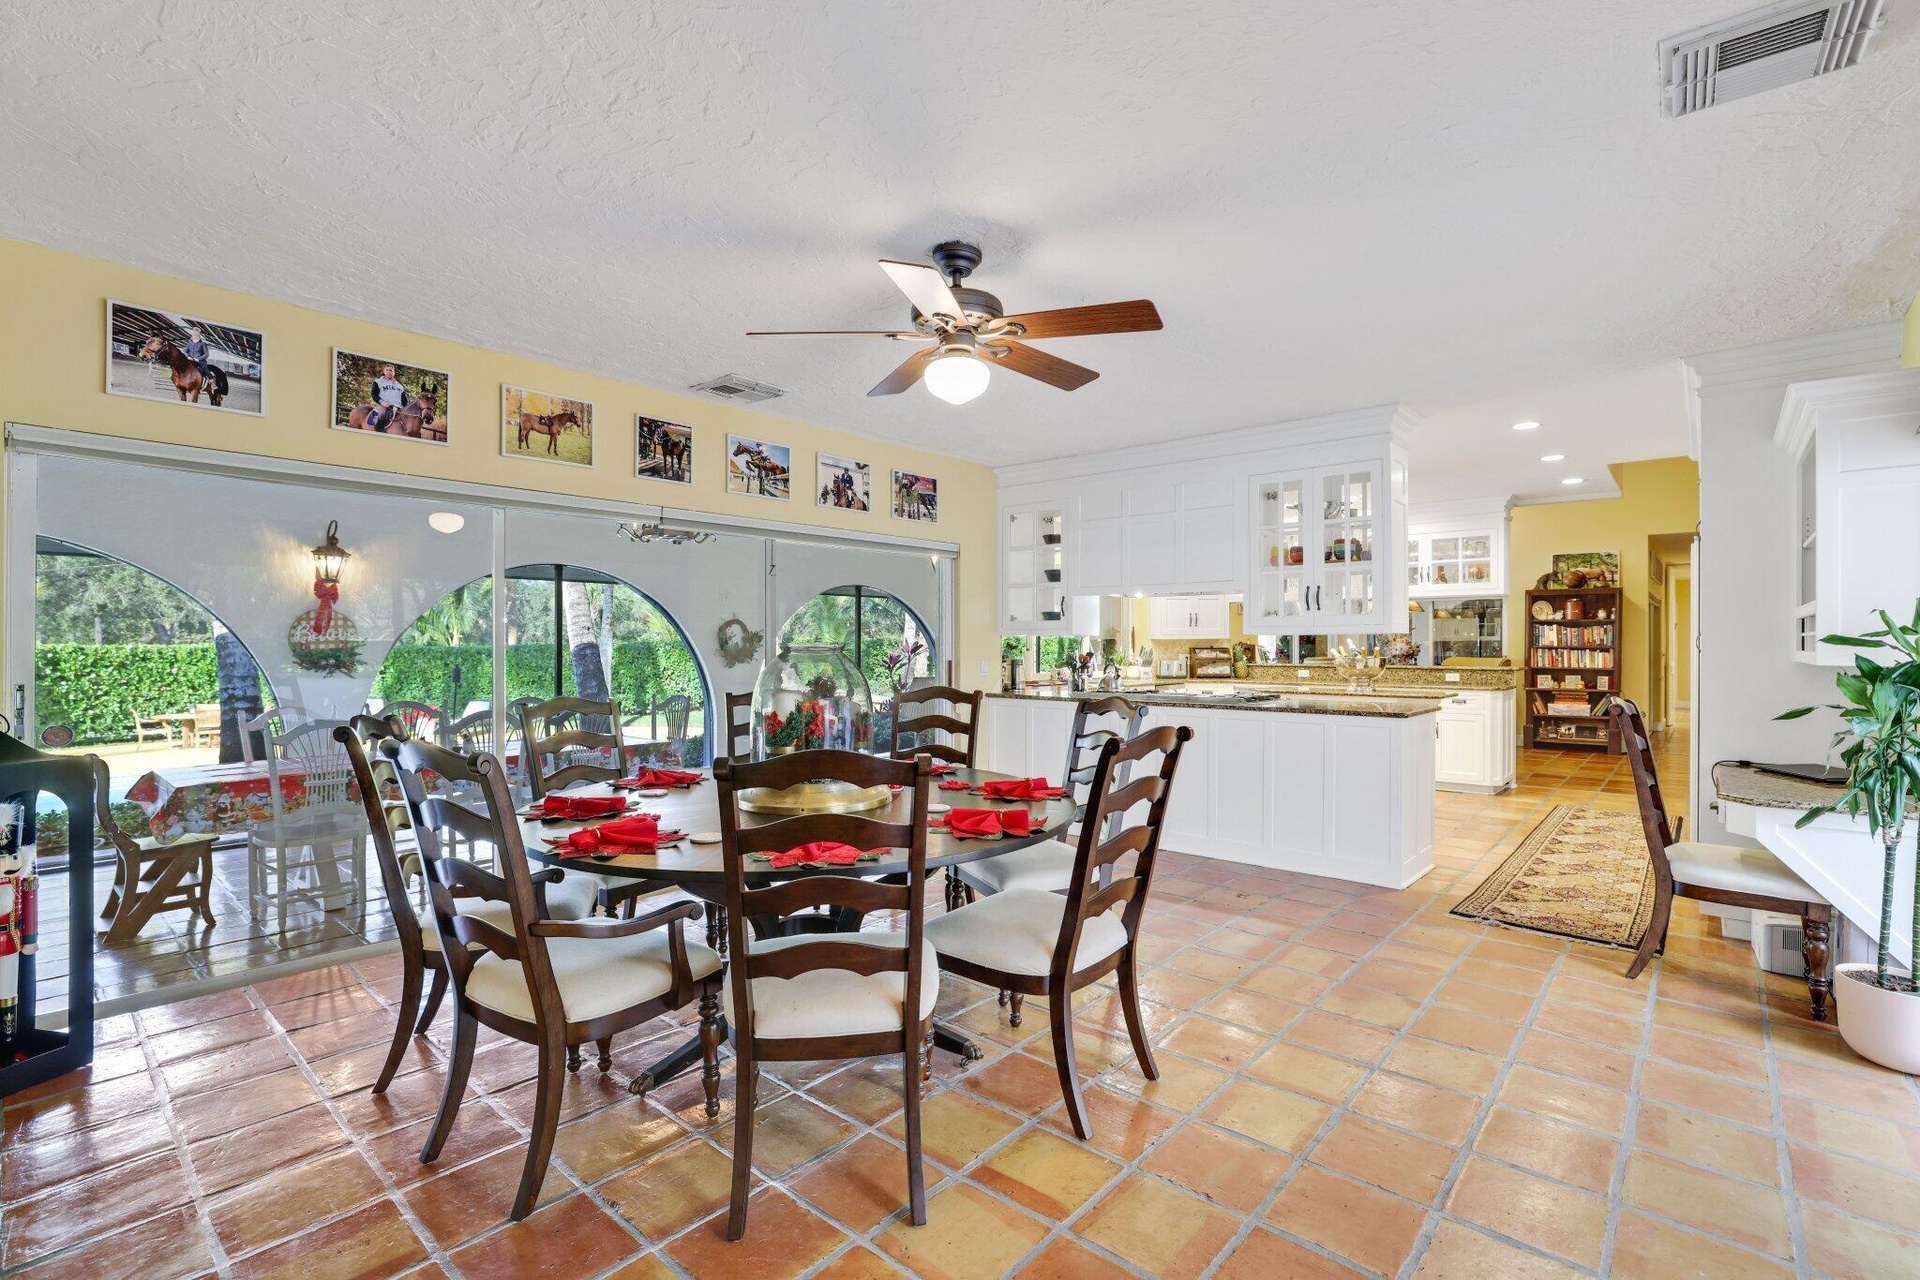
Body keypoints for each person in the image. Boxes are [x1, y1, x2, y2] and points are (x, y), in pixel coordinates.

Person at [369, 363, 408, 432]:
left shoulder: (400, 386)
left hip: (398, 408)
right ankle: (377, 432)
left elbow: (404, 401)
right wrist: (382, 402)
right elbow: (374, 395)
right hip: (384, 406)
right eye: (387, 370)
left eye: (391, 370)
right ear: (384, 371)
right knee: (381, 414)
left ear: (394, 372)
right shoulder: (378, 382)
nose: (389, 372)